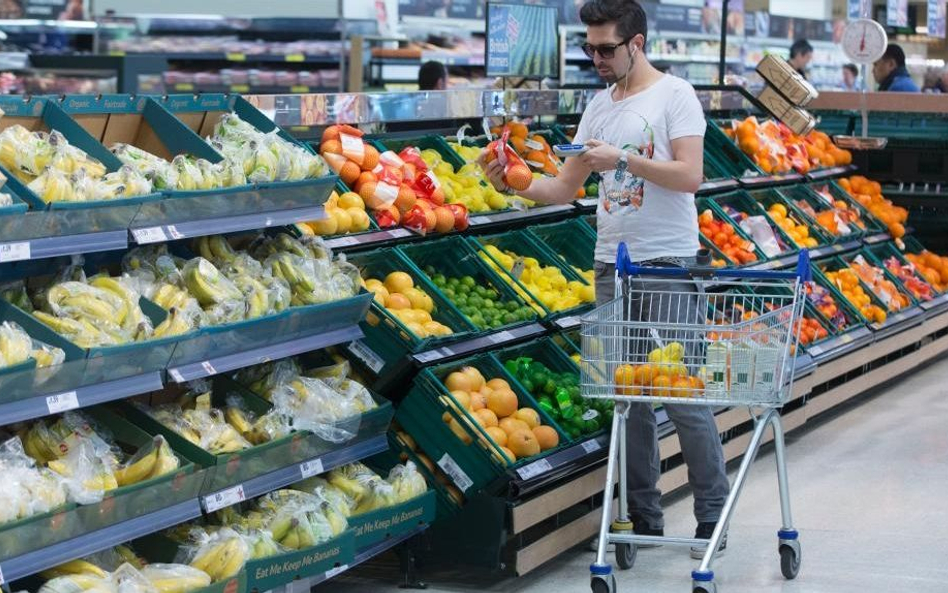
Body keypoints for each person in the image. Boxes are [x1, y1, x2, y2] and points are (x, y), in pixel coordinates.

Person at [478, 0, 729, 560]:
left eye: (606, 48)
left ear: (636, 43)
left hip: (666, 263)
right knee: (628, 397)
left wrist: (623, 160)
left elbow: (691, 176)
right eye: (589, 48)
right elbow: (562, 189)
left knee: (684, 395)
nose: (596, 58)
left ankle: (713, 515)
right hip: (610, 268)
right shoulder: (596, 106)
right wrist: (512, 184)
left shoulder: (675, 96)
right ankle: (644, 518)